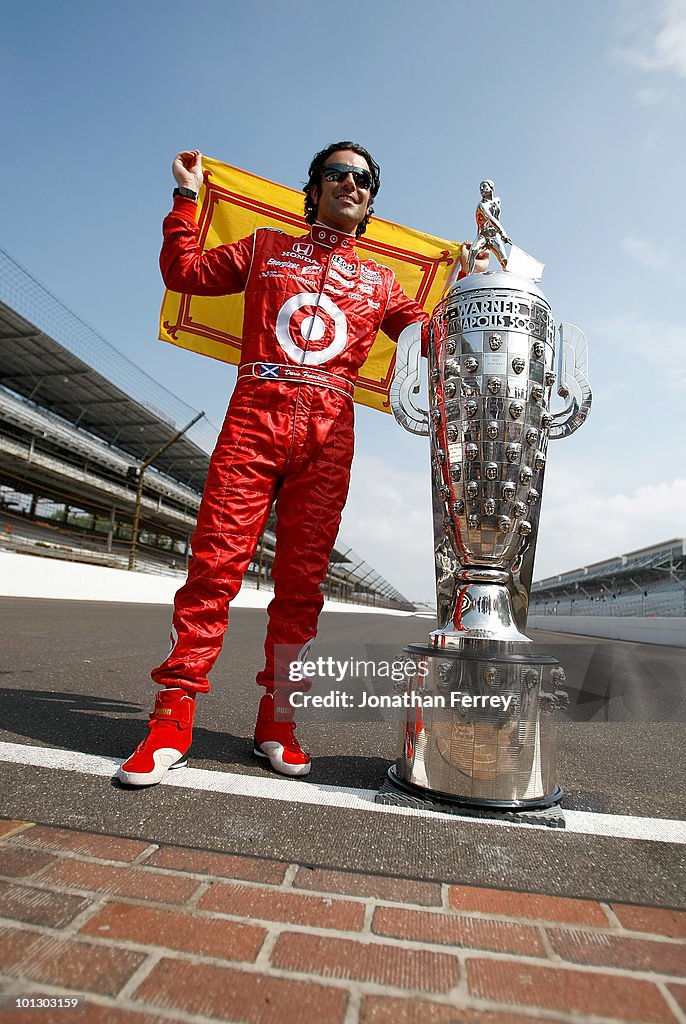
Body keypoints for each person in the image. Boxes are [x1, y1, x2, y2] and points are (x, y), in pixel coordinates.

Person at [117, 142, 431, 787]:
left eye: (363, 179)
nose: (351, 184)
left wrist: (482, 282)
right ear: (313, 187)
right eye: (337, 174)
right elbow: (184, 272)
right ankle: (171, 718)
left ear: (371, 199)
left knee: (300, 588)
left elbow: (431, 336)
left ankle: (278, 721)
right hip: (254, 415)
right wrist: (185, 196)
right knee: (213, 570)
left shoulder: (381, 282)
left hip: (329, 430)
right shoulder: (263, 246)